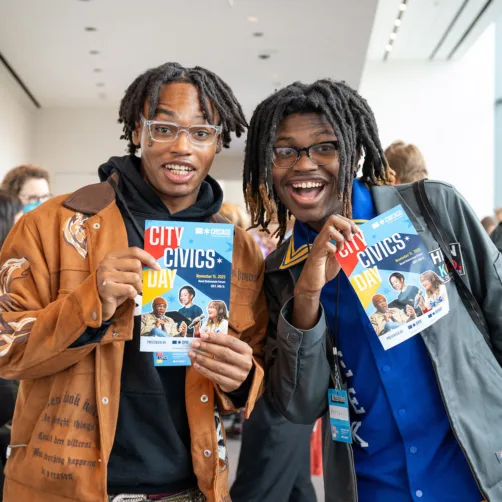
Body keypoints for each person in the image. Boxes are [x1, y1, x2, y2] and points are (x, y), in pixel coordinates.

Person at [0, 62, 268, 502]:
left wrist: (241, 379)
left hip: (189, 489)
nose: (182, 146)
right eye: (164, 128)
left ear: (217, 142)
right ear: (137, 131)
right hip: (65, 489)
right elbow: (5, 350)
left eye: (201, 132)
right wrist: (89, 303)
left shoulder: (238, 250)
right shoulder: (51, 225)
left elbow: (255, 362)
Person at [244, 79, 502, 501]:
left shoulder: (432, 211)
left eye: (325, 147)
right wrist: (306, 298)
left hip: (476, 475)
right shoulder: (281, 274)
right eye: (284, 151)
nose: (304, 165)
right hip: (373, 487)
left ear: (354, 151)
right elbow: (300, 406)